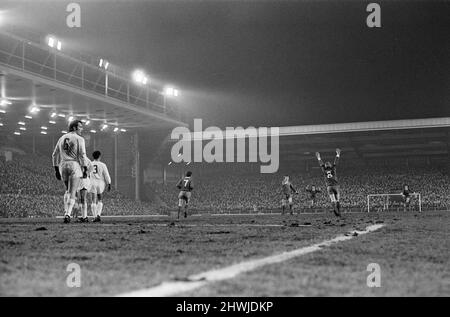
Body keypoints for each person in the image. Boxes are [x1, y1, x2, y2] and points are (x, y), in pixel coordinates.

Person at [52, 120, 88, 223]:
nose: (82, 129)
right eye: (80, 127)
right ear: (74, 128)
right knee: (72, 191)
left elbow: (54, 154)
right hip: (74, 164)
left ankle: (66, 211)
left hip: (62, 165)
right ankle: (67, 214)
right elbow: (82, 154)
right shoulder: (79, 139)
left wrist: (56, 169)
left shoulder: (61, 138)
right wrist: (84, 168)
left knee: (67, 190)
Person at [315, 148, 341, 217]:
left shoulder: (324, 170)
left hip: (329, 187)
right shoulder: (333, 168)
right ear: (330, 165)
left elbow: (321, 164)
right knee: (337, 200)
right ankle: (339, 212)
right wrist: (338, 154)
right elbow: (336, 163)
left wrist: (319, 157)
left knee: (333, 200)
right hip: (335, 185)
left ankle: (334, 209)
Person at [89, 151, 111, 222]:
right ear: (99, 156)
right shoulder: (103, 165)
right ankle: (98, 215)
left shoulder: (90, 164)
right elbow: (106, 175)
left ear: (93, 156)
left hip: (92, 182)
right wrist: (109, 183)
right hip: (100, 183)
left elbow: (87, 174)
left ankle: (94, 216)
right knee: (100, 199)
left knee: (93, 201)